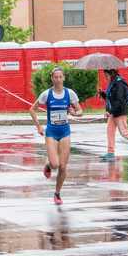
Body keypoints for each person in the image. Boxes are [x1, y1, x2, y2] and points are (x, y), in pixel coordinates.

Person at [30, 67, 83, 205]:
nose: (58, 79)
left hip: (65, 131)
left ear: (63, 78)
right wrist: (39, 126)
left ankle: (57, 194)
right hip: (51, 132)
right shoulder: (46, 94)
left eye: (60, 77)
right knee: (55, 164)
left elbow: (80, 111)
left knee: (63, 167)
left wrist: (74, 113)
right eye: (56, 77)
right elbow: (32, 109)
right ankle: (48, 164)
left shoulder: (69, 93)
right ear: (52, 78)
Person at [99, 69, 128, 160]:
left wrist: (110, 111)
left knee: (124, 132)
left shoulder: (119, 83)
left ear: (111, 74)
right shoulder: (112, 83)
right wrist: (103, 94)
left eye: (106, 75)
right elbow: (111, 99)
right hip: (114, 112)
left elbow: (119, 101)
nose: (105, 78)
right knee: (110, 131)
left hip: (120, 111)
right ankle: (110, 153)